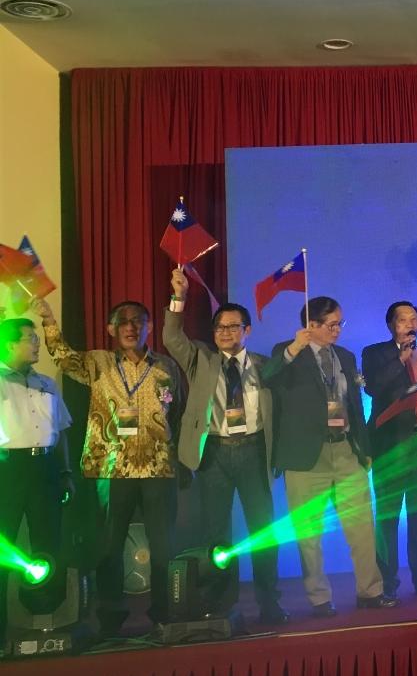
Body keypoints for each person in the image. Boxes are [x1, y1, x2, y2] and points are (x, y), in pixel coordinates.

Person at [37, 297, 184, 633]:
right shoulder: (98, 363)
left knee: (163, 544)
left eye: (138, 321)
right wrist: (48, 319)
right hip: (112, 467)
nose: (131, 327)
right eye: (123, 321)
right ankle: (111, 614)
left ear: (149, 327)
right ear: (111, 329)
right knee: (109, 543)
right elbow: (63, 357)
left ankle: (163, 611)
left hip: (157, 467)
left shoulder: (165, 366)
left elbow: (176, 410)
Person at [164, 268, 287, 624]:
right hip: (214, 453)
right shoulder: (200, 359)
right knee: (217, 534)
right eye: (220, 327)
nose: (226, 333)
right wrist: (179, 298)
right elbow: (172, 338)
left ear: (247, 331)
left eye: (234, 327)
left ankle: (269, 602)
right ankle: (219, 604)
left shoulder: (264, 366)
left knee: (263, 531)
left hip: (252, 451)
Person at [261, 297, 397, 617]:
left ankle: (370, 591)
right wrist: (295, 347)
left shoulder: (346, 356)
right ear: (312, 325)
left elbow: (354, 406)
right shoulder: (288, 352)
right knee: (310, 534)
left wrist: (364, 451)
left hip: (346, 449)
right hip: (307, 457)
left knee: (362, 526)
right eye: (331, 324)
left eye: (340, 324)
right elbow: (267, 377)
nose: (337, 330)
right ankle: (319, 598)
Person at [361, 301, 417, 599]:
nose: (409, 324)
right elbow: (373, 388)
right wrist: (401, 359)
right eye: (402, 320)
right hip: (390, 449)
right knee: (387, 519)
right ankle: (386, 583)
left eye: (414, 319)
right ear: (391, 326)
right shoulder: (375, 354)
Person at [0, 317, 74, 637]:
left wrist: (66, 472)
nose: (36, 343)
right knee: (6, 545)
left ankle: (48, 617)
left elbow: (62, 431)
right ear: (9, 343)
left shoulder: (47, 383)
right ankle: (3, 628)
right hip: (8, 469)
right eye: (30, 338)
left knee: (49, 544)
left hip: (45, 468)